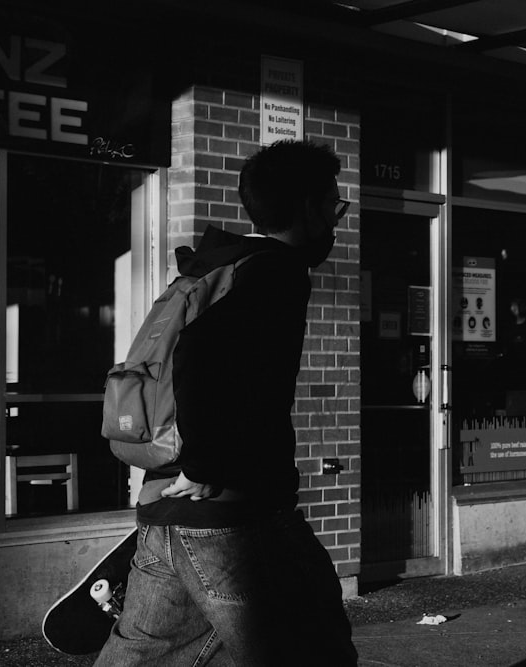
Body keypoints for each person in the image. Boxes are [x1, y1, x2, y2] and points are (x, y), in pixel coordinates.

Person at [94, 140, 358, 666]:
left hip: (167, 511)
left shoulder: (220, 264)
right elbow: (199, 354)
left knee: (145, 656)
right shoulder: (275, 271)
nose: (334, 221)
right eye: (332, 205)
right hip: (237, 520)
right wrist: (205, 464)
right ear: (306, 206)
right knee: (314, 652)